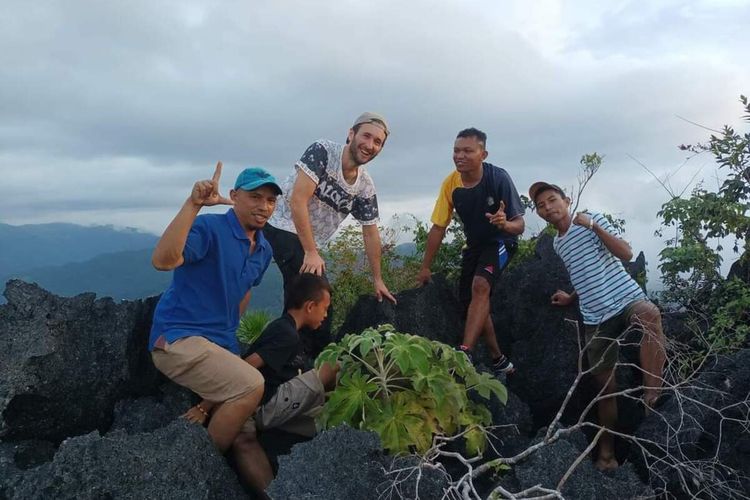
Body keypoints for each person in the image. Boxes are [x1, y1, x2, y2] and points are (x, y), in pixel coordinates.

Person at [529, 181, 666, 471]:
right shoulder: (558, 244)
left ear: (566, 200)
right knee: (605, 390)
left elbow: (626, 254)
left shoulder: (592, 220)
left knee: (650, 314)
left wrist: (593, 225)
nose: (547, 208)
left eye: (552, 200)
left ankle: (652, 395)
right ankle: (606, 453)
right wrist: (571, 296)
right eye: (541, 206)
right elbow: (584, 274)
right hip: (595, 317)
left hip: (626, 298)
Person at [149, 163, 281, 454]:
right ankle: (204, 467)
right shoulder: (210, 228)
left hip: (219, 342)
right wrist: (193, 204)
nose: (264, 206)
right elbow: (163, 260)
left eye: (271, 200)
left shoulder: (263, 249)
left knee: (245, 433)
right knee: (251, 385)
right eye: (255, 197)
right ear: (234, 196)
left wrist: (229, 335)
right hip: (177, 338)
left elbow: (242, 293)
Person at [184, 273, 338, 496]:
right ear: (310, 306)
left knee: (244, 441)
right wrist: (203, 407)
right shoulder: (286, 334)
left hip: (262, 402)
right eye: (325, 308)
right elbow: (244, 368)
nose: (325, 315)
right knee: (333, 365)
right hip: (266, 403)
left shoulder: (285, 328)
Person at [265, 112, 397, 339]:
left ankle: (288, 352)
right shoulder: (324, 151)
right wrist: (311, 251)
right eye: (366, 136)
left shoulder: (364, 185)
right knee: (316, 295)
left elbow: (370, 232)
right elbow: (298, 200)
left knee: (302, 298)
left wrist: (377, 279)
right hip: (281, 224)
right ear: (351, 133)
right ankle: (308, 357)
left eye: (378, 142)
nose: (370, 145)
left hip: (306, 242)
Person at [417, 128, 525, 378]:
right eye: (456, 150)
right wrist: (425, 267)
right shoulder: (451, 184)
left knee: (480, 286)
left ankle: (463, 352)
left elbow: (519, 225)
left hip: (501, 241)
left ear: (483, 154)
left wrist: (504, 224)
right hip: (474, 247)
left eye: (467, 151)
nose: (460, 156)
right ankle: (498, 359)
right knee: (473, 303)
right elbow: (438, 227)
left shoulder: (498, 178)